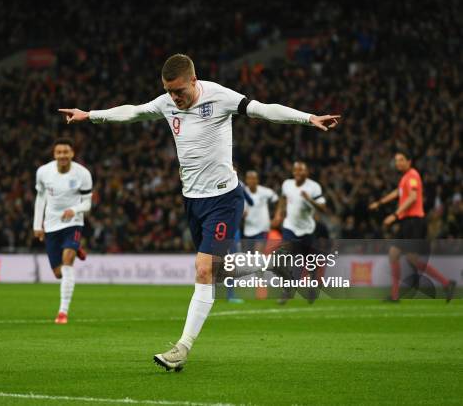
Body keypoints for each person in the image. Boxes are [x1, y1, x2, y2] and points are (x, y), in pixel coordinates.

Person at [59, 53, 339, 371]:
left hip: (224, 199)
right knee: (216, 272)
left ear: (194, 80)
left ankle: (181, 349)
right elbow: (133, 112)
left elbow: (262, 110)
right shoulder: (167, 102)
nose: (174, 98)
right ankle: (271, 263)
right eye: (169, 91)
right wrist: (89, 115)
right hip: (192, 201)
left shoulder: (219, 96)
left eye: (179, 91)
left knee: (203, 270)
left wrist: (308, 118)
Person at [369, 150, 456, 302]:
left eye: (401, 159)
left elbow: (413, 197)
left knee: (412, 259)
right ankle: (395, 296)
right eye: (396, 160)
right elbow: (398, 192)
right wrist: (380, 202)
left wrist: (394, 215)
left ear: (409, 161)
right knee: (394, 254)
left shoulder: (413, 175)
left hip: (414, 222)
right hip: (406, 222)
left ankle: (447, 283)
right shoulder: (405, 178)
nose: (398, 163)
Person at [33, 138, 93, 324]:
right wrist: (37, 225)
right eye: (59, 153)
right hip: (51, 224)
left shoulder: (82, 174)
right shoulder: (43, 172)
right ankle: (76, 248)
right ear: (54, 155)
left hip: (73, 222)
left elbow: (87, 203)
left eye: (66, 152)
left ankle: (62, 312)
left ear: (72, 154)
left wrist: (74, 210)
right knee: (58, 273)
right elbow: (40, 198)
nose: (62, 156)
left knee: (67, 263)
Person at [273, 161, 328, 304]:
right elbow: (283, 198)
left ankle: (312, 288)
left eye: (301, 170)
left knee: (311, 264)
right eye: (295, 170)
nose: (297, 173)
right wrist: (279, 214)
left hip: (307, 230)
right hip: (289, 227)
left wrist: (309, 200)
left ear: (307, 172)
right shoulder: (287, 184)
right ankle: (287, 290)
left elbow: (323, 208)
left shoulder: (314, 187)